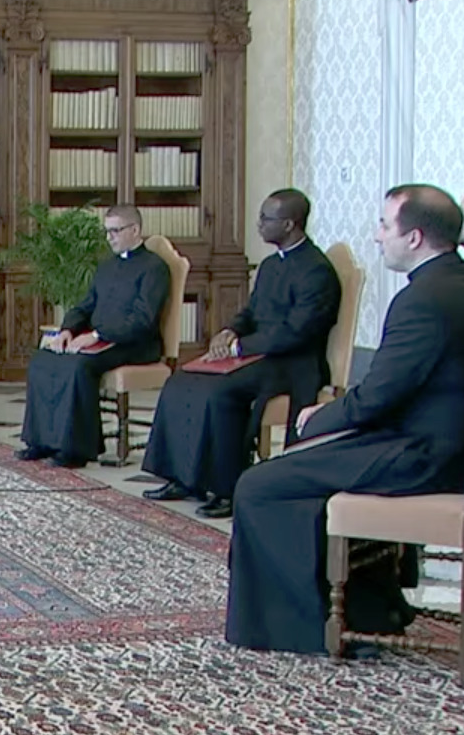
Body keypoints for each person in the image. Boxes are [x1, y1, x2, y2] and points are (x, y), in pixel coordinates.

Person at [226, 184, 464, 655]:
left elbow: (378, 397)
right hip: (451, 445)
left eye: (384, 225)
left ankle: (302, 627)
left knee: (260, 484)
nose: (377, 236)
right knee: (298, 466)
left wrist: (318, 419)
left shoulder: (424, 299)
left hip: (423, 455)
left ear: (414, 237)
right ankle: (370, 607)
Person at [138, 189, 341, 518]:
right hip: (258, 354)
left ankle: (227, 489)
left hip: (293, 363)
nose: (259, 224)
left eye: (266, 219)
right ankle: (183, 478)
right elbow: (251, 313)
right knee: (182, 380)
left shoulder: (316, 271)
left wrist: (241, 347)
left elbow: (297, 331)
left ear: (289, 224)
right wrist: (230, 331)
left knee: (222, 392)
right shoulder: (271, 264)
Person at [16, 206, 170, 469]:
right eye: (107, 231)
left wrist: (97, 335)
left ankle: (75, 450)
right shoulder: (106, 266)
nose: (109, 237)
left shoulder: (154, 268)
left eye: (115, 231)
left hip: (135, 344)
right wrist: (67, 331)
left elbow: (142, 320)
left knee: (79, 366)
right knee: (43, 360)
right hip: (100, 339)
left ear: (135, 230)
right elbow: (85, 306)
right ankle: (42, 441)